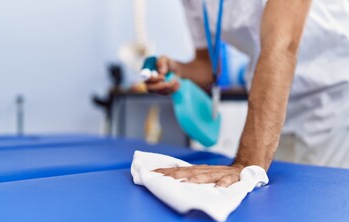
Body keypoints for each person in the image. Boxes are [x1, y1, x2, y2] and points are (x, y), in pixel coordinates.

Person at [147, 0, 349, 187]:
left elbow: (281, 45)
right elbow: (208, 66)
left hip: (334, 96)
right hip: (275, 107)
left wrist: (247, 164)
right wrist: (177, 71)